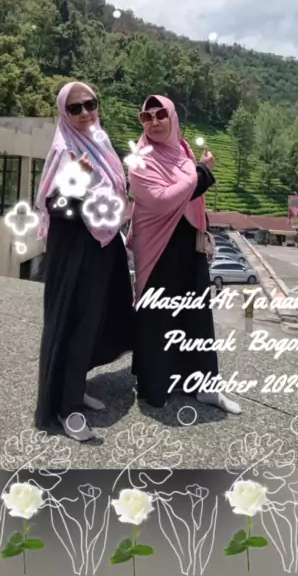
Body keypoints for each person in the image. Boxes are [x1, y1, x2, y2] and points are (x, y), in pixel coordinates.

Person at [34, 81, 135, 443]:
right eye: (74, 108)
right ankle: (66, 408)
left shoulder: (101, 141)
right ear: (64, 114)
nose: (84, 113)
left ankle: (74, 389)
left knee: (94, 322)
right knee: (73, 325)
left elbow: (115, 191)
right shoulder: (64, 149)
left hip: (103, 244)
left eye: (89, 104)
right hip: (76, 251)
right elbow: (55, 206)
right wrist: (76, 183)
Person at [127, 94, 241, 414]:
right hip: (157, 246)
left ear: (173, 117)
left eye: (161, 114)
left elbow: (189, 197)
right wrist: (202, 172)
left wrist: (196, 175)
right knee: (158, 316)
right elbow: (163, 200)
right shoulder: (141, 159)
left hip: (188, 242)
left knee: (197, 315)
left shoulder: (183, 149)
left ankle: (206, 386)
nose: (154, 121)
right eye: (147, 117)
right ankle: (155, 387)